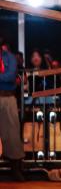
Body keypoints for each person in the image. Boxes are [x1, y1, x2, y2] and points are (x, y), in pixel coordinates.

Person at [0, 35, 24, 181]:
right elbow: (6, 77)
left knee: (12, 134)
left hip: (7, 97)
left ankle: (15, 169)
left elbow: (10, 77)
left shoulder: (10, 57)